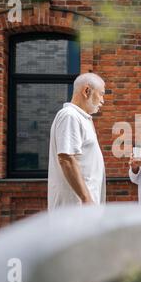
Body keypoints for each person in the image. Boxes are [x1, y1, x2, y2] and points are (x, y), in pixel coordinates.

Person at [48, 73, 106, 211]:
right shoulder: (70, 115)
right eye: (101, 94)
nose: (103, 100)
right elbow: (66, 158)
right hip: (76, 207)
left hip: (82, 206)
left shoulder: (81, 118)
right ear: (87, 91)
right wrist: (86, 199)